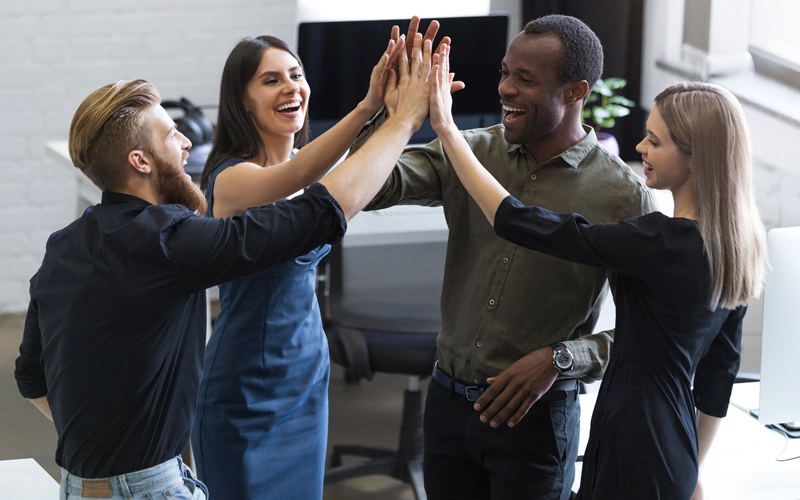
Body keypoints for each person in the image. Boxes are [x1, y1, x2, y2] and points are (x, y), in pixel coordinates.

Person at [14, 34, 433, 500]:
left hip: (90, 484)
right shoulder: (172, 243)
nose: (187, 140)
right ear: (140, 161)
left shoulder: (64, 246)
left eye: (295, 75)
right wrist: (401, 119)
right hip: (159, 478)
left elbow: (31, 376)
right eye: (172, 135)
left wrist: (103, 454)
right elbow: (315, 214)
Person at [427, 43, 766, 500]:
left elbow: (519, 222)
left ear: (695, 157)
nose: (641, 147)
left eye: (656, 141)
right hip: (674, 447)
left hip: (631, 440)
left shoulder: (659, 241)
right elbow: (719, 375)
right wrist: (692, 467)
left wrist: (448, 131)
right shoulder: (737, 247)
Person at [351, 15, 655, 499]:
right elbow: (373, 186)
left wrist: (562, 358)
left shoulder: (622, 197)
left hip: (535, 420)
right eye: (504, 73)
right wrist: (387, 111)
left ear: (576, 91)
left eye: (525, 80)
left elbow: (651, 334)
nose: (505, 89)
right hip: (447, 405)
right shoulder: (473, 150)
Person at [188, 33, 427, 499]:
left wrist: (382, 104)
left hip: (305, 368)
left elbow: (327, 170)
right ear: (242, 101)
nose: (291, 87)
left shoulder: (303, 162)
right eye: (271, 80)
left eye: (296, 75)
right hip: (246, 384)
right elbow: (299, 182)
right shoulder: (232, 179)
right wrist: (373, 112)